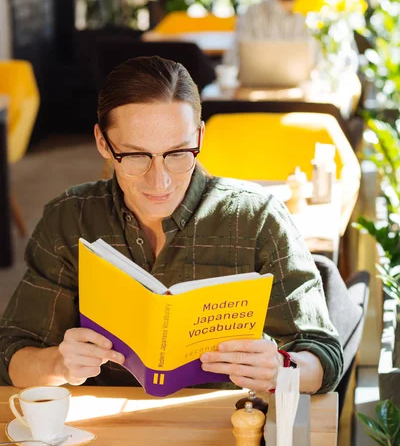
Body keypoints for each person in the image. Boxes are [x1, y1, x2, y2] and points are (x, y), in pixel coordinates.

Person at [0, 56, 343, 393]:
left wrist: (281, 368)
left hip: (230, 429)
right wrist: (59, 364)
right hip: (99, 433)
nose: (160, 181)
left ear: (200, 138)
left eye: (178, 153)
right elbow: (11, 354)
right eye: (136, 155)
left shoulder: (256, 217)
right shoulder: (69, 217)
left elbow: (324, 358)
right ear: (103, 142)